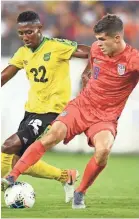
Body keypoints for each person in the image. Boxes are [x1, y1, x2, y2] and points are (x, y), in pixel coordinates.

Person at [2, 14, 139, 209]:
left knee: (103, 151)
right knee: (50, 137)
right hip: (81, 106)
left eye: (102, 40)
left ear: (117, 38)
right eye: (97, 39)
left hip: (105, 116)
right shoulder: (95, 49)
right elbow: (91, 63)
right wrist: (86, 74)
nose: (97, 44)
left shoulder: (133, 60)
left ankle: (79, 192)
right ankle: (12, 177)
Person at [1, 10, 91, 203]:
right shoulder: (23, 52)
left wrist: (88, 71)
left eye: (29, 32)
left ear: (39, 28)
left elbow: (91, 52)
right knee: (19, 162)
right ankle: (66, 176)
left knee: (9, 146)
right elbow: (4, 76)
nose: (25, 37)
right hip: (31, 111)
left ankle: (7, 186)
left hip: (52, 113)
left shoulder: (56, 46)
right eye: (21, 33)